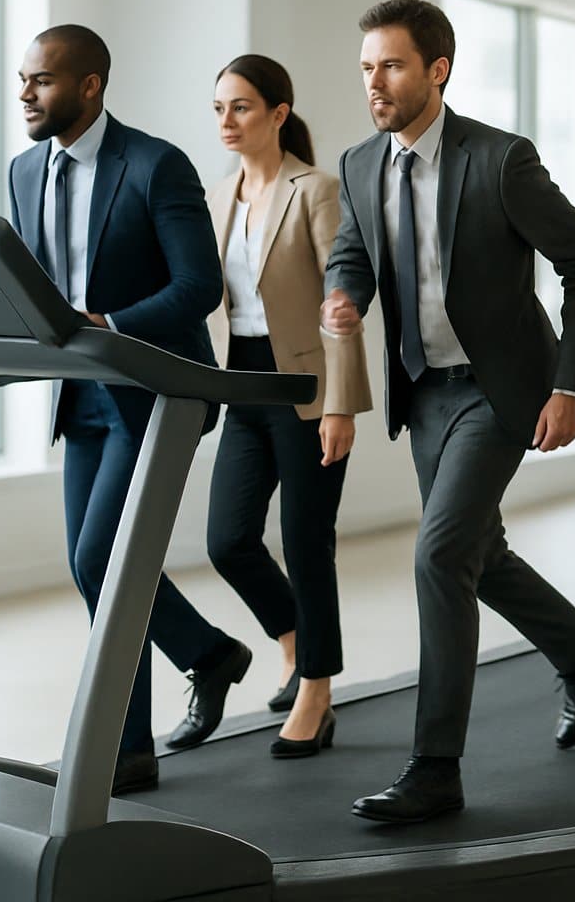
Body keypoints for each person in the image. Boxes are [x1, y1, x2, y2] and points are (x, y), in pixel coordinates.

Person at [320, 0, 575, 824]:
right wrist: (344, 294)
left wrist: (571, 383)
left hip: (499, 389)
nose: (375, 83)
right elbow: (354, 250)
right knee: (478, 554)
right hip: (425, 395)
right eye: (367, 69)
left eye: (391, 66)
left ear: (436, 70)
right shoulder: (358, 164)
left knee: (439, 554)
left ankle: (435, 767)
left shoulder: (499, 159)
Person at [8, 25, 250, 794]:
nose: (25, 94)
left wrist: (108, 324)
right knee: (102, 567)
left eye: (41, 81)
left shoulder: (154, 165)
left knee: (98, 560)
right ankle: (195, 672)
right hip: (78, 393)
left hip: (152, 390)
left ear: (89, 86)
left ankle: (132, 739)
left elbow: (197, 289)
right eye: (24, 80)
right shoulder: (22, 172)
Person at [204, 54, 375, 757]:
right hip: (242, 383)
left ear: (278, 113)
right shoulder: (219, 197)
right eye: (219, 108)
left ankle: (317, 688)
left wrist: (341, 405)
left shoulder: (316, 189)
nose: (226, 121)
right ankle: (294, 637)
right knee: (229, 539)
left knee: (307, 542)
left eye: (241, 107)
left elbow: (343, 302)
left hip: (305, 390)